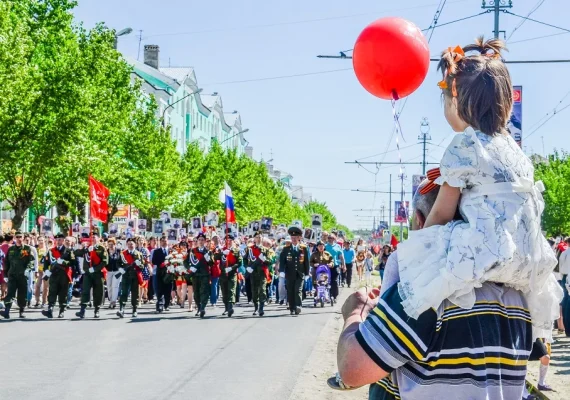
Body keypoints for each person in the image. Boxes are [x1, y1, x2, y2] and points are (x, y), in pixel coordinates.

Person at [396, 38, 561, 330]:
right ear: (508, 104)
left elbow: (442, 215)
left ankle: (388, 334)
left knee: (401, 267)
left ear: (455, 100)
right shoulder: (515, 150)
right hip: (528, 261)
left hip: (484, 256)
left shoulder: (465, 145)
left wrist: (419, 247)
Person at [335, 172, 535, 400]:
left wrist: (354, 313)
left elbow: (352, 370)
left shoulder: (423, 291)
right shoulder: (516, 293)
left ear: (420, 221)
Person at [0, 232, 35, 319]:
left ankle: (21, 311)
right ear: (15, 238)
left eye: (20, 237)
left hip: (23, 275)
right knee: (10, 293)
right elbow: (6, 262)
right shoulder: (11, 249)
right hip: (12, 275)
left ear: (23, 238)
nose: (19, 238)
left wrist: (28, 269)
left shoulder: (27, 249)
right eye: (17, 237)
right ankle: (7, 311)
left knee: (22, 294)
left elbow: (31, 261)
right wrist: (5, 274)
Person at [75, 232, 109, 319]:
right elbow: (77, 253)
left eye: (95, 237)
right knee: (85, 291)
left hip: (98, 273)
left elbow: (105, 261)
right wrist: (85, 249)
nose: (93, 239)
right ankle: (82, 310)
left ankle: (97, 310)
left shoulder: (101, 248)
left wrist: (95, 268)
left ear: (99, 238)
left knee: (98, 292)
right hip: (87, 274)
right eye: (92, 237)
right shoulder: (87, 247)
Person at [42, 233, 75, 319]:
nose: (58, 241)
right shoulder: (51, 251)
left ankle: (61, 311)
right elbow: (46, 262)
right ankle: (50, 309)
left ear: (63, 240)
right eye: (56, 239)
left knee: (63, 293)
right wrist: (46, 271)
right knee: (52, 292)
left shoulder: (68, 251)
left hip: (64, 274)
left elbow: (72, 263)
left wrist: (63, 262)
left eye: (60, 239)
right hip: (54, 274)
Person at [279, 226, 310, 315]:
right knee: (290, 290)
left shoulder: (303, 248)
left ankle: (298, 306)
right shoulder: (286, 249)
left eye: (296, 238)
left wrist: (307, 273)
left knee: (298, 290)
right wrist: (281, 271)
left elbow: (306, 261)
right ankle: (292, 308)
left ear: (299, 238)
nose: (294, 239)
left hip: (300, 273)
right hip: (289, 273)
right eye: (292, 238)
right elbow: (282, 260)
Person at [116, 238, 144, 318]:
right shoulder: (123, 254)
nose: (130, 246)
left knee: (135, 294)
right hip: (126, 276)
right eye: (129, 244)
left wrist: (139, 265)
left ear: (135, 244)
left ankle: (134, 310)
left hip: (135, 276)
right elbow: (118, 263)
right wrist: (120, 269)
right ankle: (121, 309)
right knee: (124, 293)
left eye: (132, 244)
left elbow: (142, 267)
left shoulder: (139, 254)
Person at [187, 232, 213, 318]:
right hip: (195, 275)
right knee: (196, 293)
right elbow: (186, 262)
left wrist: (208, 258)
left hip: (204, 274)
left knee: (204, 291)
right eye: (199, 240)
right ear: (197, 241)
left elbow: (211, 264)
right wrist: (190, 268)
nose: (201, 241)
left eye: (202, 240)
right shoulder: (193, 251)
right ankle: (198, 306)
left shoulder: (208, 251)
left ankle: (203, 308)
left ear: (205, 241)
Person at [247, 232, 270, 316]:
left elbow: (269, 262)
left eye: (260, 237)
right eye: (257, 237)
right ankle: (256, 307)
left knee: (262, 290)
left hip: (262, 273)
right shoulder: (250, 249)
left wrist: (264, 259)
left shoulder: (265, 249)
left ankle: (261, 308)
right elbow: (245, 259)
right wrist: (247, 267)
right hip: (253, 273)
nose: (258, 238)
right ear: (254, 239)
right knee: (254, 291)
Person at [220, 233, 242, 317]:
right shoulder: (222, 249)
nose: (228, 242)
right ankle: (226, 307)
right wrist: (222, 253)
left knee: (231, 290)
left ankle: (230, 307)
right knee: (224, 291)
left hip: (232, 273)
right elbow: (215, 258)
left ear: (233, 241)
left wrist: (231, 268)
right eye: (226, 240)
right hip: (223, 274)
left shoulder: (236, 251)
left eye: (230, 240)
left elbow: (239, 262)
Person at [310, 240, 333, 305]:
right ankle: (317, 296)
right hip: (316, 271)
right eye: (319, 246)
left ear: (324, 246)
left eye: (322, 246)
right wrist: (314, 265)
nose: (321, 247)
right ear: (317, 247)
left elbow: (332, 260)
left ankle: (327, 296)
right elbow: (310, 262)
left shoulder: (327, 254)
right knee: (316, 284)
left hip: (325, 271)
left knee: (326, 284)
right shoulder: (314, 254)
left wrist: (331, 264)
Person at [151, 237, 170, 313]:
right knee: (159, 290)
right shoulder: (156, 251)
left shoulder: (171, 251)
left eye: (165, 241)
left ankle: (166, 304)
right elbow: (154, 261)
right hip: (159, 272)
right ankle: (160, 305)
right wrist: (162, 263)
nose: (164, 242)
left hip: (169, 273)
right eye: (162, 241)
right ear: (160, 242)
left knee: (168, 290)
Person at [325, 234, 343, 302]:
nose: (330, 239)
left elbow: (341, 256)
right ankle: (329, 296)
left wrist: (343, 265)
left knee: (334, 281)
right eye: (329, 238)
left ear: (334, 239)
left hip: (335, 265)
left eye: (332, 238)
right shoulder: (325, 246)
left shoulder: (338, 246)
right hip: (326, 266)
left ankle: (334, 296)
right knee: (327, 281)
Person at [105, 238, 121, 309]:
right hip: (108, 271)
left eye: (112, 244)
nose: (110, 246)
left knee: (115, 286)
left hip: (117, 271)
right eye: (109, 244)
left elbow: (122, 260)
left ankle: (113, 301)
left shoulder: (119, 251)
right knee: (109, 286)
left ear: (115, 244)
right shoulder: (106, 252)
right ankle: (111, 300)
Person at [558, 238, 570, 336]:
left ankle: (567, 329)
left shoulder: (565, 253)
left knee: (565, 303)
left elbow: (560, 267)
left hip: (565, 276)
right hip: (566, 276)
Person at [33, 235, 49, 308]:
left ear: (44, 241)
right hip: (38, 271)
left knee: (46, 287)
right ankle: (37, 301)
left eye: (42, 240)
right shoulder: (35, 249)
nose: (41, 242)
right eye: (39, 240)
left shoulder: (47, 249)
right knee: (37, 286)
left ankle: (44, 301)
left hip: (46, 270)